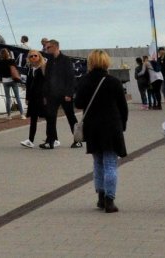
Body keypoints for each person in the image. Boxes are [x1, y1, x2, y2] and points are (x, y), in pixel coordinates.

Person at [75, 49, 128, 213]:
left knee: (98, 163)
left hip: (92, 127)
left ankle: (100, 196)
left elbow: (78, 104)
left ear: (90, 62)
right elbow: (123, 107)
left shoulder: (84, 81)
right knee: (110, 164)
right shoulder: (114, 81)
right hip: (112, 126)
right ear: (106, 62)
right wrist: (122, 125)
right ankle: (109, 201)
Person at [41, 39, 77, 148]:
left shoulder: (66, 60)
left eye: (48, 47)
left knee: (70, 116)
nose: (46, 50)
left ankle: (78, 139)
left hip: (64, 94)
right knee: (50, 117)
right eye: (46, 48)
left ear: (56, 47)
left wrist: (69, 94)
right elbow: (47, 79)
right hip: (52, 95)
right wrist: (45, 95)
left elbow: (70, 78)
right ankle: (50, 141)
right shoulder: (49, 62)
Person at [20, 49, 47, 147]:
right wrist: (27, 97)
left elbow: (48, 83)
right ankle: (30, 140)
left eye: (35, 55)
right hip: (33, 97)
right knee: (33, 119)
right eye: (31, 56)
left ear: (39, 56)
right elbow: (28, 84)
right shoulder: (30, 69)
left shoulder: (43, 68)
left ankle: (52, 138)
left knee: (48, 118)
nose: (33, 57)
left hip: (42, 97)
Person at [0, 47, 23, 118]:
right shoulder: (12, 61)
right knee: (17, 97)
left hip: (5, 81)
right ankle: (22, 114)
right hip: (13, 80)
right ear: (8, 54)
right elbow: (16, 69)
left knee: (8, 98)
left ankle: (9, 115)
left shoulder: (0, 62)